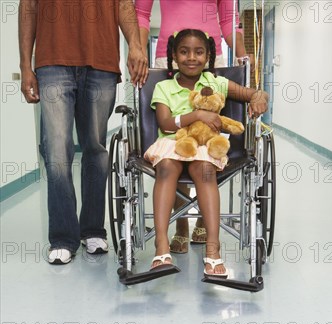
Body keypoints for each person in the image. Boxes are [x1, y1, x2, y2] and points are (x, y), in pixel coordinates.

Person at [19, 0, 148, 264]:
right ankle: (63, 237)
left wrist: (135, 44)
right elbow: (28, 7)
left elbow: (123, 4)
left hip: (101, 60)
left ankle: (92, 229)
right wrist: (25, 66)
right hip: (52, 61)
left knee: (95, 149)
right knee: (56, 149)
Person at [144, 29, 268, 277]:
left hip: (206, 146)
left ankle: (213, 249)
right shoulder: (164, 87)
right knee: (167, 167)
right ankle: (161, 246)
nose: (192, 57)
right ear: (174, 56)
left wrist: (260, 97)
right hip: (172, 141)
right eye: (184, 52)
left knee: (205, 169)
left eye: (199, 52)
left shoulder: (217, 83)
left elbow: (253, 93)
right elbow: (166, 124)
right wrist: (198, 115)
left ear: (208, 55)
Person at [135, 0, 252, 254]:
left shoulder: (212, 73)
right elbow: (142, 14)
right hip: (168, 54)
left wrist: (242, 56)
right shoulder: (165, 84)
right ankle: (180, 226)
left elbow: (228, 19)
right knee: (173, 155)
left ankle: (203, 225)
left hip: (212, 56)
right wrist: (138, 50)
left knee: (203, 159)